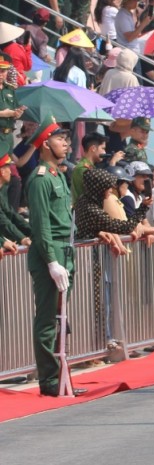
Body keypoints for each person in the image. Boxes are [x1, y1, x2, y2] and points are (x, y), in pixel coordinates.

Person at [25, 118, 84, 396]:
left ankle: (61, 376)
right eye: (60, 139)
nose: (66, 144)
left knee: (61, 318)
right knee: (48, 319)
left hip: (65, 249)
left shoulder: (58, 174)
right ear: (46, 143)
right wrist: (51, 261)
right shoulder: (39, 178)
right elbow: (41, 226)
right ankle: (50, 382)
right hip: (51, 252)